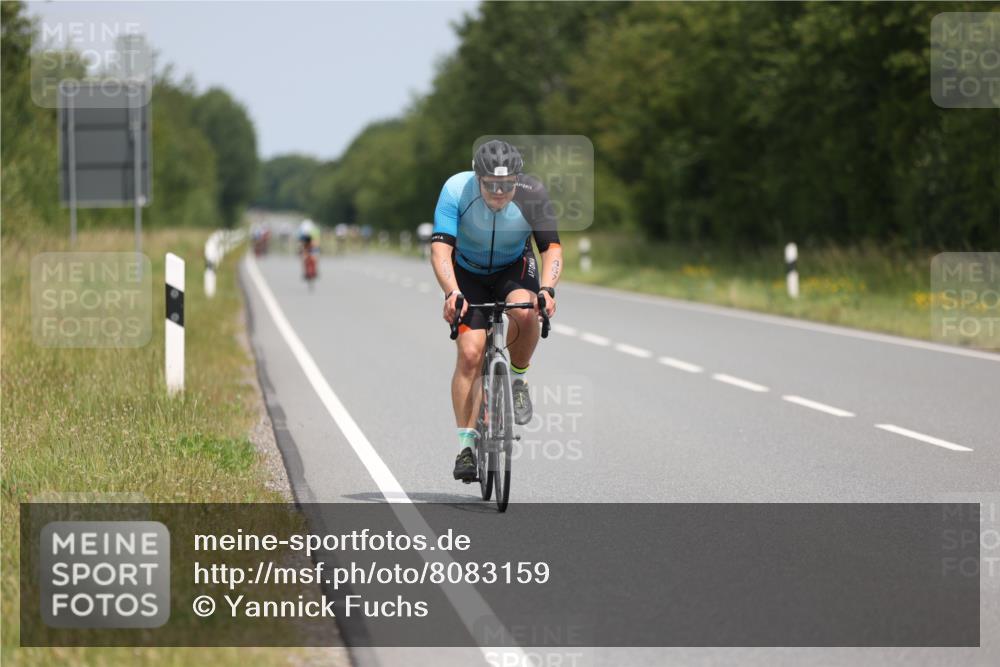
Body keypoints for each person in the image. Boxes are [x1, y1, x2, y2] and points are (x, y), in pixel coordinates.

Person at [430, 140, 562, 481]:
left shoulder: (533, 193)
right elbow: (441, 251)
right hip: (467, 273)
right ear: (478, 178)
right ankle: (466, 448)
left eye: (507, 184)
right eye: (492, 185)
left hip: (512, 267)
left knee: (526, 312)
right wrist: (452, 292)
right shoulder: (456, 189)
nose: (500, 192)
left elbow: (551, 249)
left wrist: (547, 289)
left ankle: (517, 379)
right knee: (471, 355)